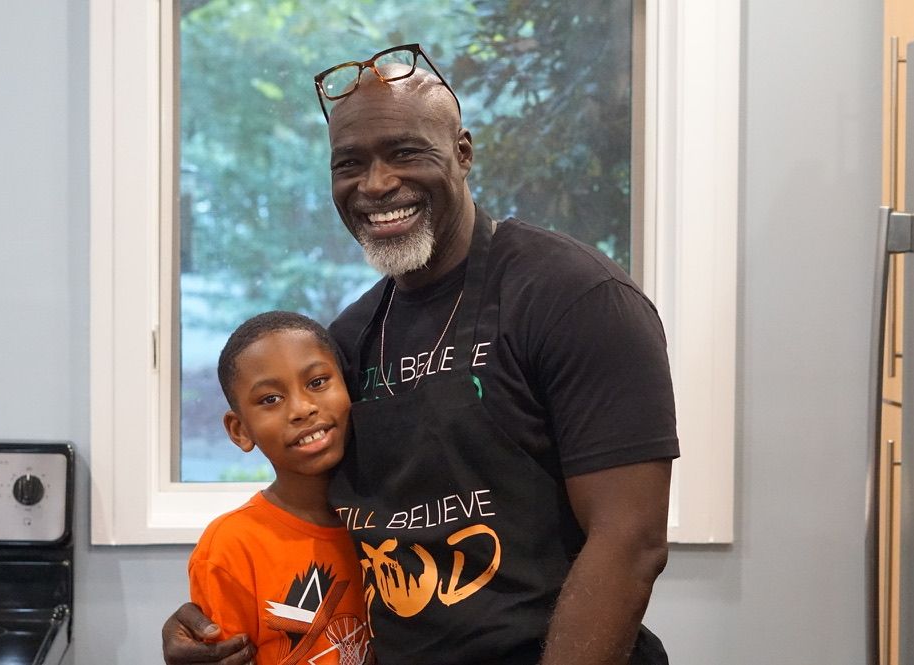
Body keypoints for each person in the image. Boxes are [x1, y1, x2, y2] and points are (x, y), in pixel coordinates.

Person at [164, 44, 678, 665]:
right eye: (349, 163)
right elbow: (311, 518)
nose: (376, 184)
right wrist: (213, 621)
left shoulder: (574, 298)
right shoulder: (349, 340)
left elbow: (631, 541)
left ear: (463, 153)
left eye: (405, 152)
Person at [187, 310, 372, 665]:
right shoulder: (231, 547)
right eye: (270, 399)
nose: (302, 409)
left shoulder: (390, 520)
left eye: (317, 382)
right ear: (240, 430)